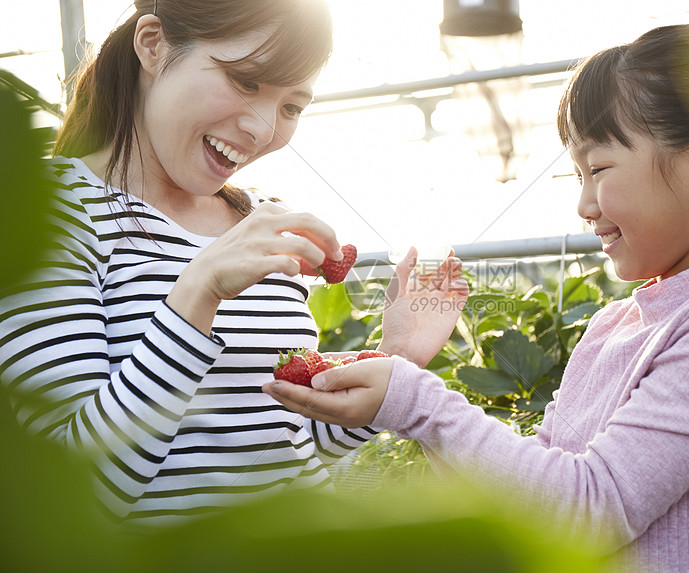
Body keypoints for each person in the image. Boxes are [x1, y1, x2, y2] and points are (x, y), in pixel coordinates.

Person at [264, 24, 689, 572]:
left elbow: (590, 511)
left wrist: (417, 401)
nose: (583, 204)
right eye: (577, 175)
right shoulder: (616, 324)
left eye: (598, 170)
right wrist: (397, 366)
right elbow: (530, 502)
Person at [0, 0, 466, 527]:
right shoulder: (45, 212)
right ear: (153, 45)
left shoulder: (256, 219)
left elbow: (284, 440)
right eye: (246, 81)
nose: (263, 128)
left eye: (292, 106)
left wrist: (397, 354)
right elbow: (74, 496)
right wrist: (197, 290)